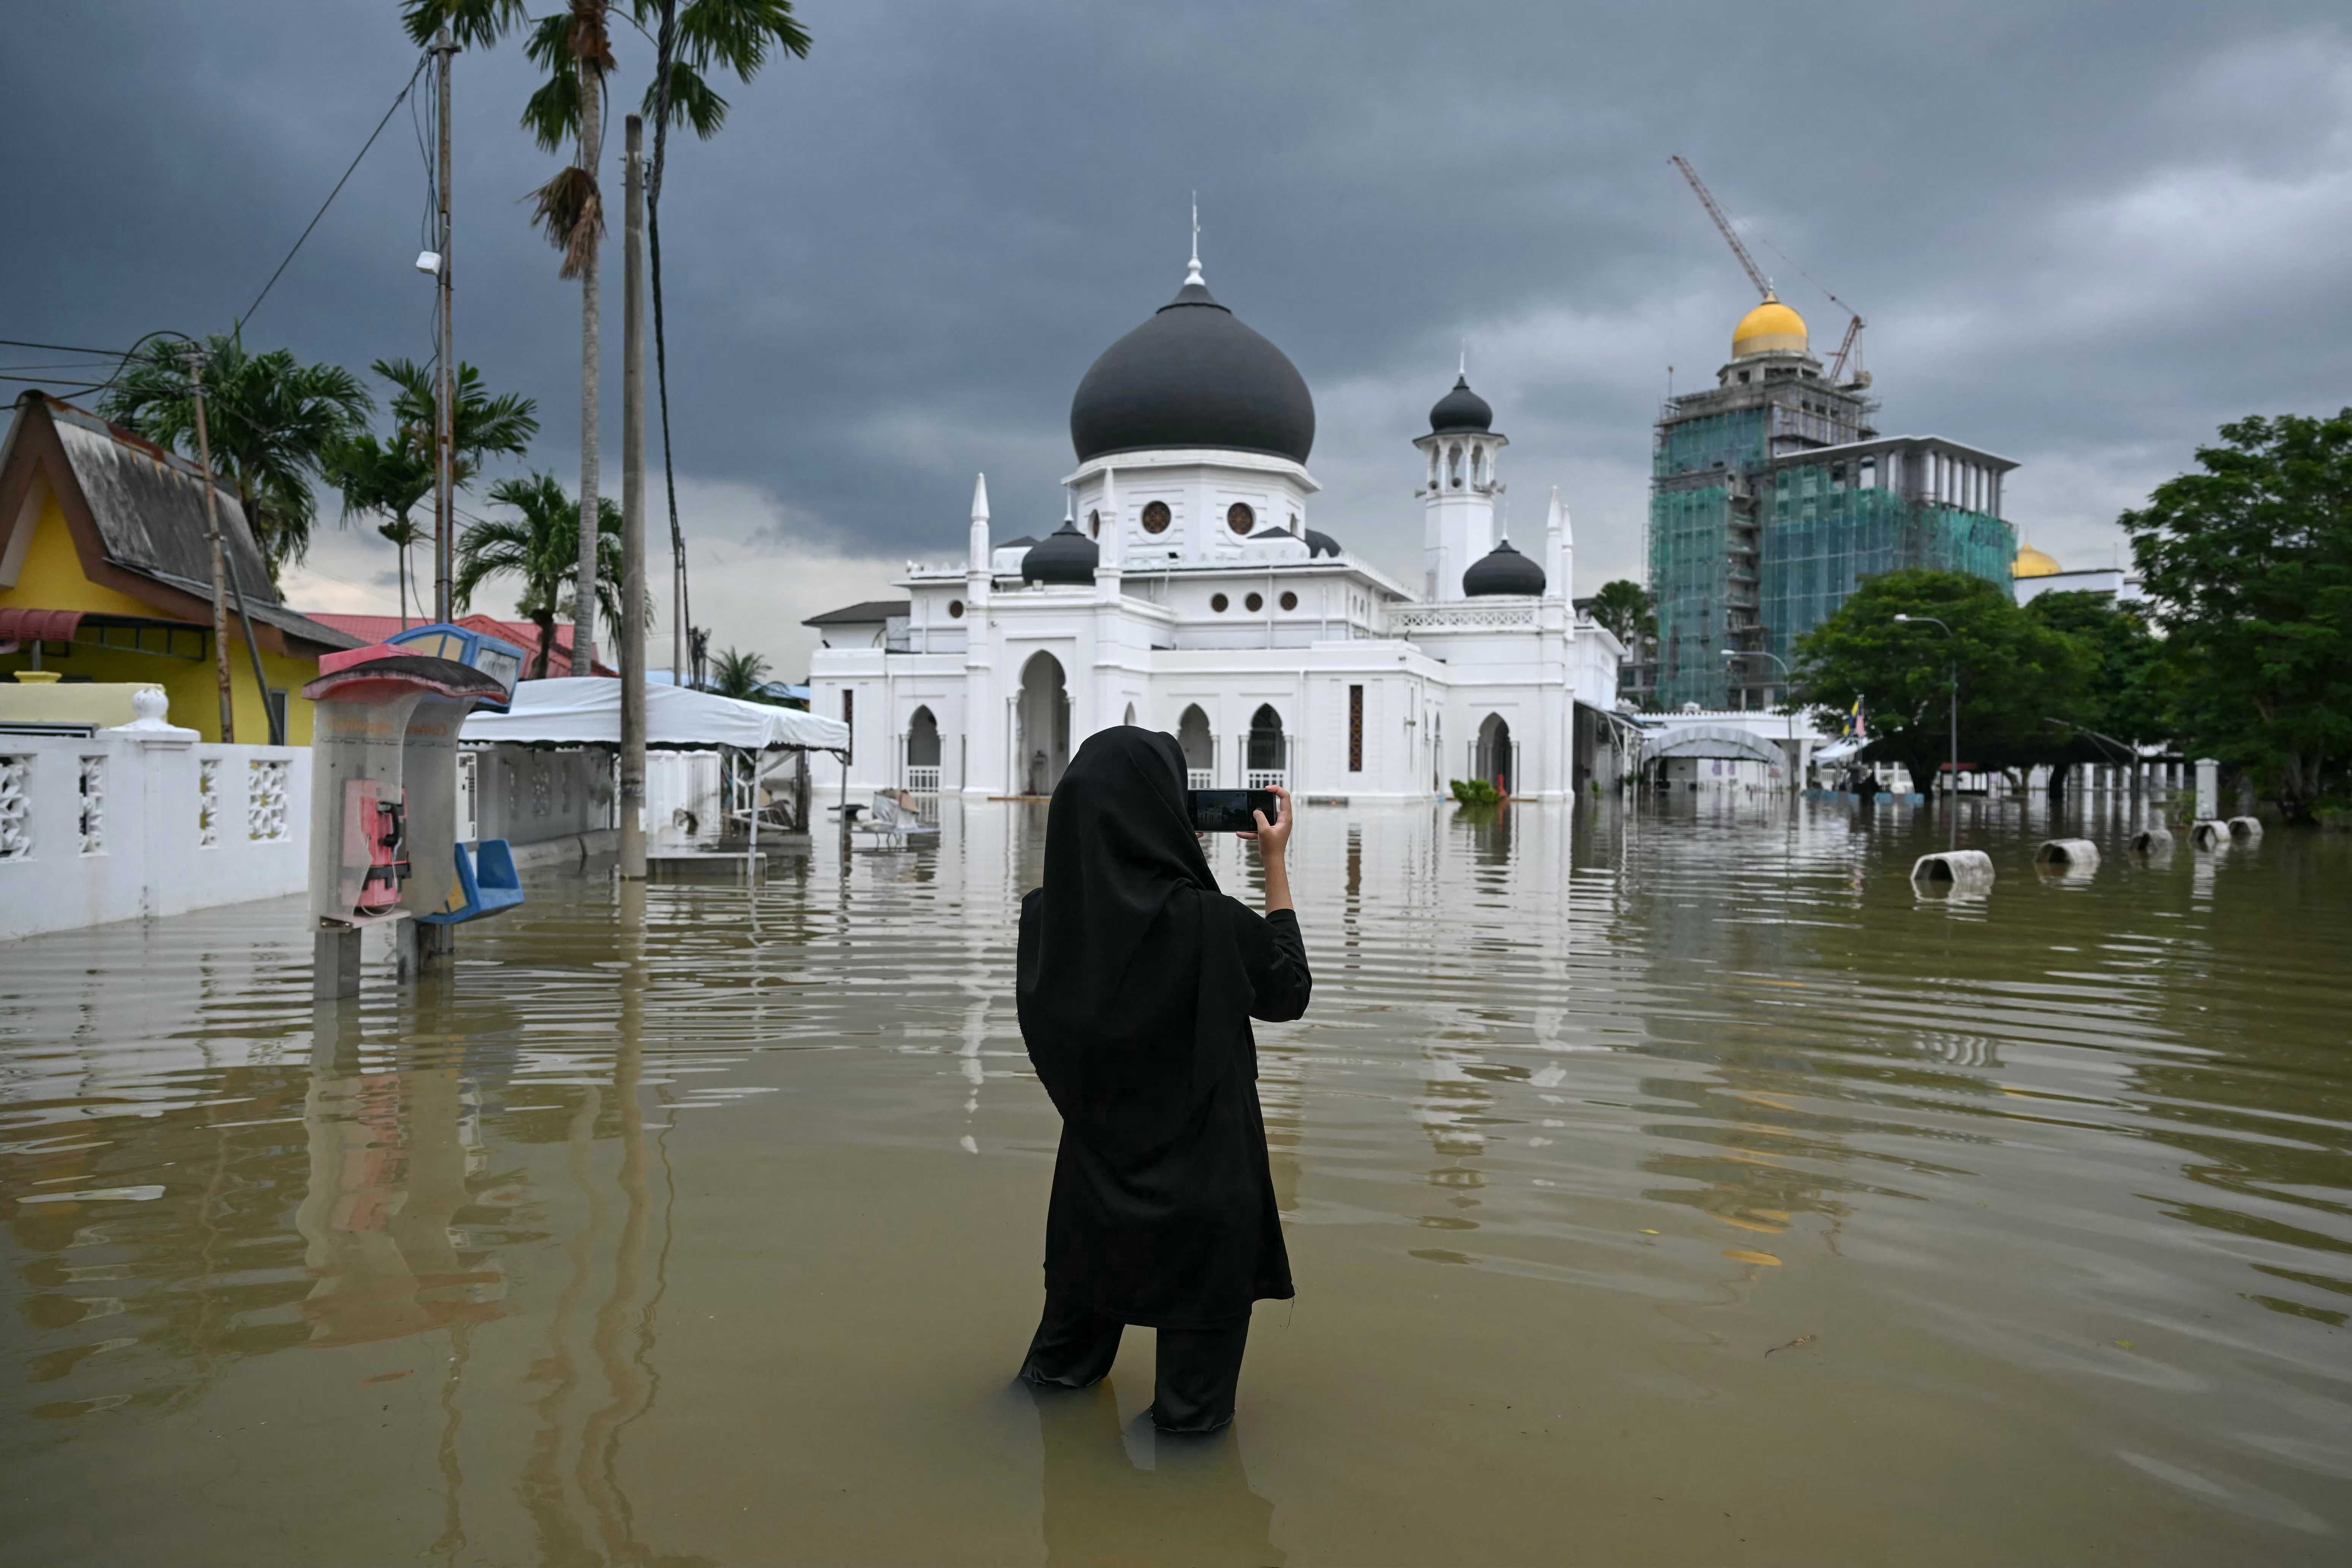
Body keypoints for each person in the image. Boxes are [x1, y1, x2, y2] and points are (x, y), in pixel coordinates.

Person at [1015, 727, 1311, 1435]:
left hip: (1092, 1199)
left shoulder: (1047, 925)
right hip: (1206, 1206)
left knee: (1050, 1387)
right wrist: (1275, 863)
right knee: (1190, 1429)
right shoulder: (1209, 925)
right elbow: (1289, 991)